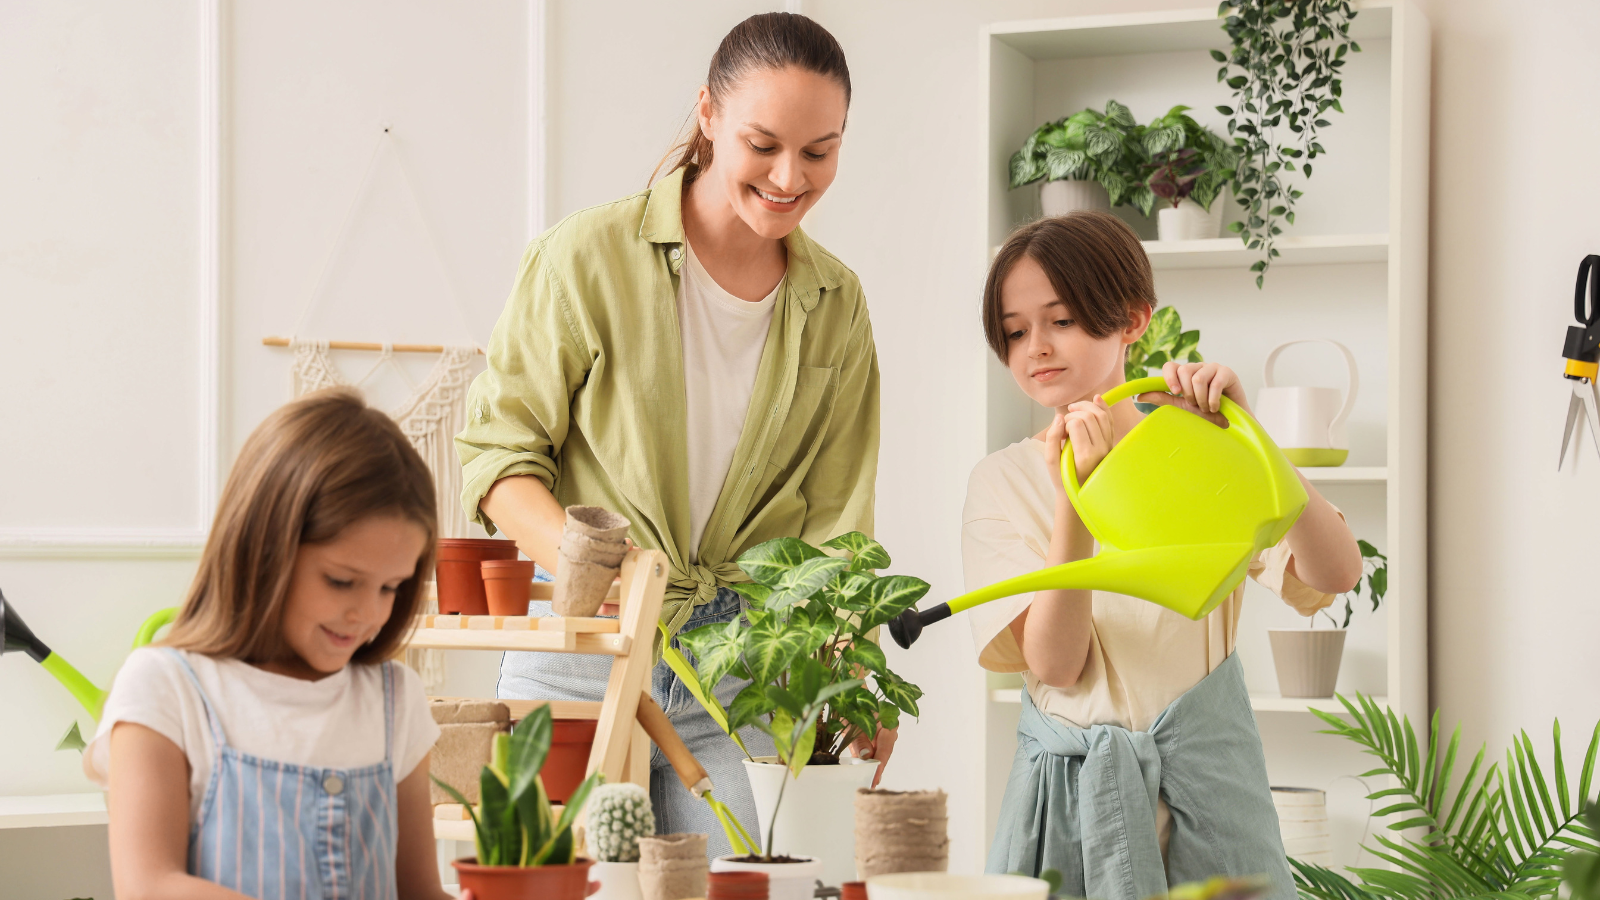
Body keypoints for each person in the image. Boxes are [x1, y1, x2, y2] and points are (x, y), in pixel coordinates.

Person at [454, 12, 886, 854]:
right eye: (762, 144)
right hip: (580, 646)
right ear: (708, 114)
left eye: (819, 151)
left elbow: (840, 518)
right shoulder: (585, 257)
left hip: (747, 668)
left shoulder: (837, 303)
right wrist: (601, 572)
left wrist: (852, 670)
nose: (789, 177)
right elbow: (499, 456)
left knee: (752, 885)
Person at [965, 212, 1362, 900]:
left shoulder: (1196, 447)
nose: (1037, 348)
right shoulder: (1001, 480)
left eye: (1062, 320)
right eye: (1015, 331)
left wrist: (1247, 436)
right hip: (1069, 804)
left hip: (1210, 793)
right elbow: (1057, 665)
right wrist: (1074, 497)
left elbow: (1337, 571)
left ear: (1132, 319)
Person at [89, 389, 449, 900]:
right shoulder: (165, 687)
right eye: (341, 581)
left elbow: (419, 892)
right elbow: (149, 886)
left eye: (390, 587)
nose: (367, 613)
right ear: (265, 549)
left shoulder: (394, 699)